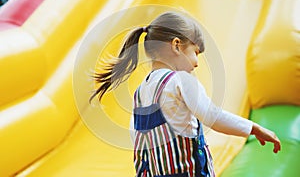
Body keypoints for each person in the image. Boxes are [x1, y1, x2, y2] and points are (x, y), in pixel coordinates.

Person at [90, 11, 281, 177]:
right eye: (195, 52)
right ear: (176, 46)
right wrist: (254, 128)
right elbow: (212, 116)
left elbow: (139, 141)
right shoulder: (180, 80)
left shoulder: (140, 93)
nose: (197, 62)